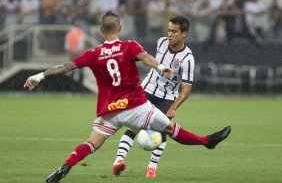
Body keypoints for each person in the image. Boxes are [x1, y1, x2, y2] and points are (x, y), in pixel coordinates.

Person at [24, 12, 231, 183]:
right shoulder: (129, 46)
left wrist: (39, 76)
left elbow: (66, 67)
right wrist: (160, 66)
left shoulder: (93, 53)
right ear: (120, 29)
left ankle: (65, 167)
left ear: (101, 30)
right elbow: (147, 58)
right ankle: (206, 141)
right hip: (136, 106)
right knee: (170, 129)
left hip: (109, 112)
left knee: (91, 144)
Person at [112, 15, 196, 178]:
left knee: (162, 130)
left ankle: (151, 168)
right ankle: (118, 161)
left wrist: (173, 108)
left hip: (167, 97)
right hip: (147, 90)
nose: (170, 35)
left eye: (174, 32)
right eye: (169, 31)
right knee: (134, 126)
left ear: (184, 34)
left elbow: (186, 89)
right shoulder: (161, 42)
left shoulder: (187, 59)